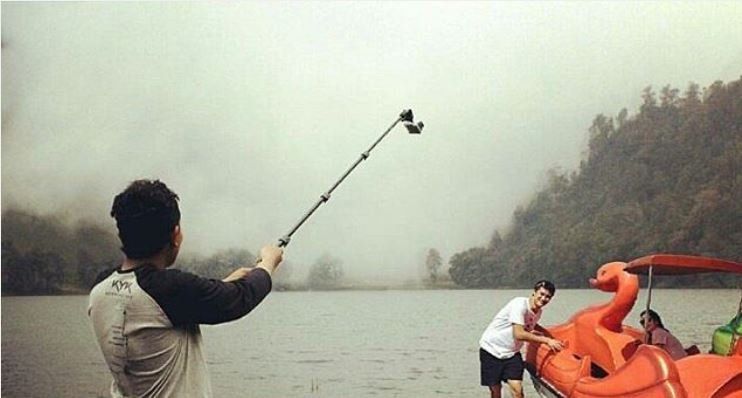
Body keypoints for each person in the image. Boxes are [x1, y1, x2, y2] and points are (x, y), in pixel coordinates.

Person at [88, 179, 283, 397]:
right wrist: (267, 263)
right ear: (175, 235)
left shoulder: (100, 287)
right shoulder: (169, 289)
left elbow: (162, 309)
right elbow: (239, 298)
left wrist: (224, 284)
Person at [479, 280, 564, 398]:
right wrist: (547, 341)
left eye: (548, 297)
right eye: (542, 294)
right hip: (491, 349)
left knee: (517, 390)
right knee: (496, 391)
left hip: (512, 353)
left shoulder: (538, 311)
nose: (544, 299)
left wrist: (549, 335)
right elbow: (518, 334)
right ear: (534, 293)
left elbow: (531, 324)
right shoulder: (519, 305)